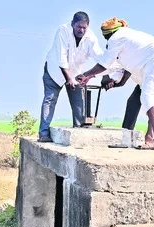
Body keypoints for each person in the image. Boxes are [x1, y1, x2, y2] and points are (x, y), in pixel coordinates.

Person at [77, 17, 154, 150]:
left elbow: (105, 64)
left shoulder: (116, 38)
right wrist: (112, 80)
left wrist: (85, 75)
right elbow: (118, 68)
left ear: (108, 34)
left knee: (148, 98)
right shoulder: (127, 40)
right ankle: (150, 138)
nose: (107, 42)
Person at [38, 12, 105, 142]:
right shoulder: (63, 31)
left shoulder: (91, 38)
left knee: (79, 102)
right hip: (54, 71)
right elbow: (61, 58)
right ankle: (43, 134)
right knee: (50, 100)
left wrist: (103, 74)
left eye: (84, 27)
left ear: (88, 26)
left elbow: (100, 58)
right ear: (72, 24)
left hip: (74, 73)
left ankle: (78, 132)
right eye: (79, 27)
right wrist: (68, 79)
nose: (81, 30)